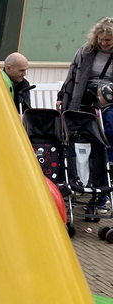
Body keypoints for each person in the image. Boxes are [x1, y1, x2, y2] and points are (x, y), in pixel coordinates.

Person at [57, 18, 113, 210]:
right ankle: (77, 184)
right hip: (81, 102)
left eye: (108, 40)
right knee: (77, 143)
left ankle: (100, 197)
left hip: (107, 108)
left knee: (101, 146)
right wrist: (60, 97)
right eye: (101, 39)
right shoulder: (85, 51)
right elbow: (72, 76)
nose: (103, 43)